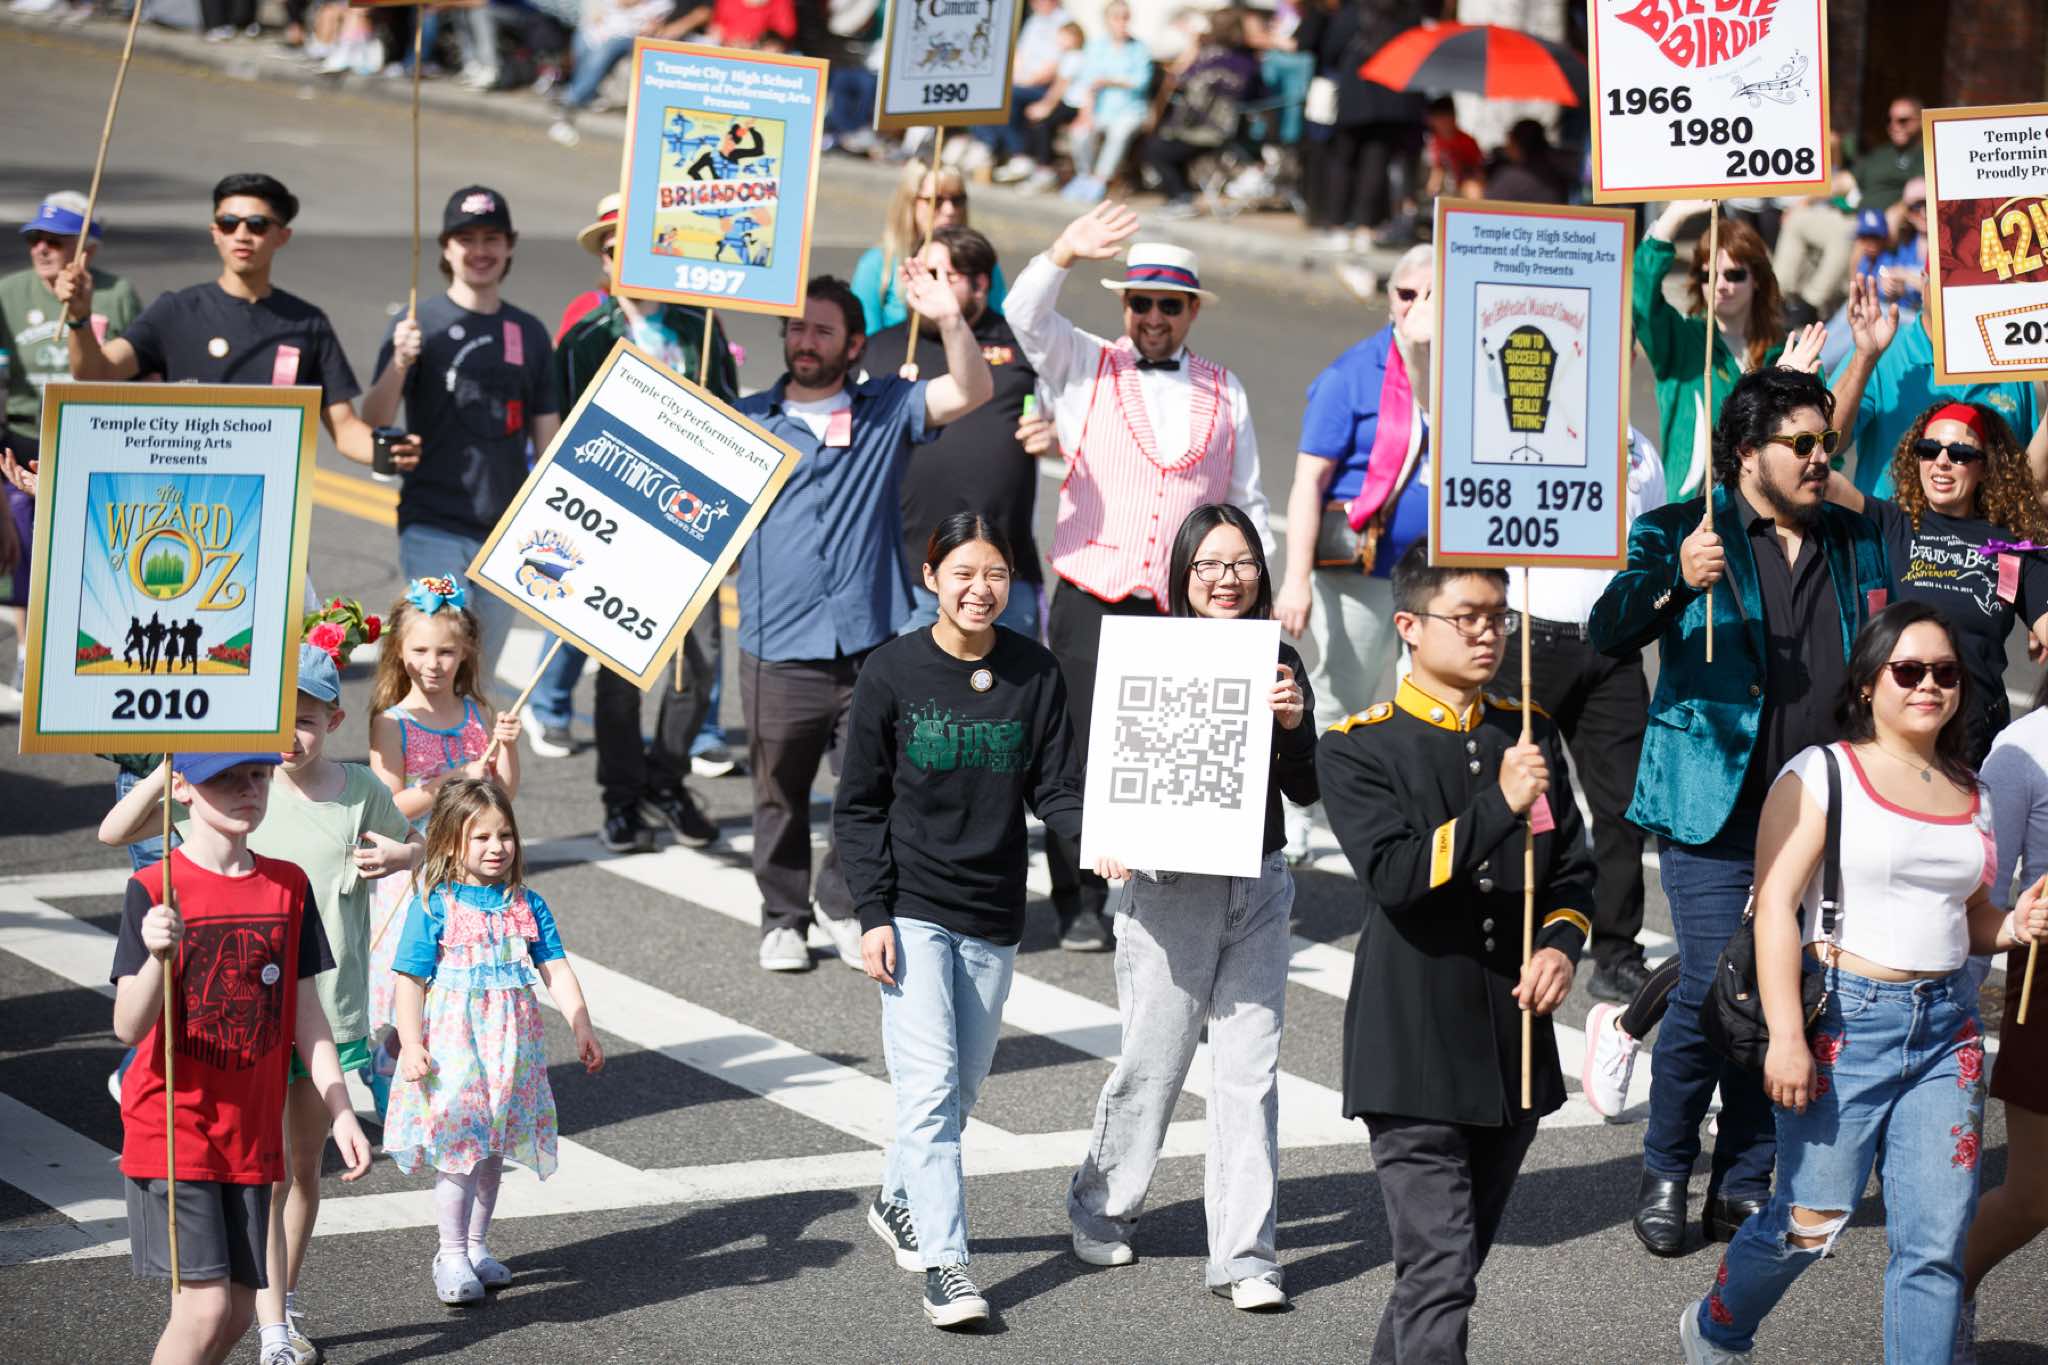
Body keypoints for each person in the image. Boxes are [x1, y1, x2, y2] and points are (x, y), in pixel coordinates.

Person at [1677, 603, 2047, 1365]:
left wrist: (2014, 924)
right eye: (1908, 670)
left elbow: (1970, 914)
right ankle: (1717, 1326)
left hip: (1947, 1032)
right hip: (1847, 1022)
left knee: (1935, 1245)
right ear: (1870, 682)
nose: (1928, 685)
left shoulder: (1972, 790)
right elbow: (1775, 906)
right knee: (1807, 1223)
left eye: (1945, 672)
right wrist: (1786, 1036)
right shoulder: (1823, 773)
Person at [1589, 367, 1891, 1258]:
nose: (1819, 458)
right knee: (1710, 988)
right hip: (1711, 801)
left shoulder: (1852, 538)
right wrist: (1676, 582)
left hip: (1820, 808)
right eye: (1801, 444)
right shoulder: (1681, 528)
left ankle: (1744, 1175)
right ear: (1747, 452)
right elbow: (1610, 629)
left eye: (1826, 442)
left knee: (1785, 988)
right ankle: (1666, 1164)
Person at [98, 647, 417, 1365]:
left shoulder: (286, 885)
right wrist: (155, 958)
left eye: (257, 775)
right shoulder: (156, 888)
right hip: (176, 1125)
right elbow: (126, 1025)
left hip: (251, 1129)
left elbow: (307, 1014)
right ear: (183, 787)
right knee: (206, 1307)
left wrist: (342, 1109)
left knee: (240, 1312)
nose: (247, 790)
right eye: (225, 778)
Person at [1319, 541, 1594, 1363]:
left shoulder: (1527, 729)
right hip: (1413, 1043)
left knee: (1440, 1271)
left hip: (1510, 1044)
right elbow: (1396, 875)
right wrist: (1499, 803)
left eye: (1498, 618)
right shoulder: (1358, 746)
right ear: (1408, 625)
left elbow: (1572, 870)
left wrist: (1559, 947)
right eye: (1466, 617)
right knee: (1441, 1270)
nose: (1487, 634)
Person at [835, 514, 1094, 1329]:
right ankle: (947, 1266)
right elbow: (857, 805)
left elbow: (1055, 786)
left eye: (996, 573)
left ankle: (897, 1198)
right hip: (912, 906)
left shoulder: (1034, 670)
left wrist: (1102, 842)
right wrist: (872, 913)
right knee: (930, 1088)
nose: (980, 588)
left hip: (993, 907)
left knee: (962, 1089)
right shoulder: (892, 671)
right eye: (963, 573)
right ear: (931, 577)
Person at [1067, 503, 1316, 1310]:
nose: (1225, 578)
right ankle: (1101, 1205)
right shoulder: (1151, 650)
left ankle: (1245, 1255)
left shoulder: (1277, 657)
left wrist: (1294, 723)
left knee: (1250, 1073)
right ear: (1182, 575)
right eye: (1208, 564)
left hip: (1260, 882)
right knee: (1154, 1060)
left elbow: (1307, 785)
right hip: (1170, 886)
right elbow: (1107, 762)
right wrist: (1108, 835)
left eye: (1240, 562)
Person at [1005, 203, 1270, 949]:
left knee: (1173, 754)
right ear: (1125, 305)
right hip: (1094, 591)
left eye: (1169, 305)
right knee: (1079, 751)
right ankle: (1079, 897)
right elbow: (1023, 314)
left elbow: (1247, 499)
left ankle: (1167, 895)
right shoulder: (1084, 362)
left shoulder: (1226, 389)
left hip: (1183, 604)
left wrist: (1256, 593)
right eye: (1141, 302)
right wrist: (1064, 249)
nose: (1154, 317)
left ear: (1191, 312)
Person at [736, 269, 994, 974]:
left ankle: (842, 900)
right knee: (779, 794)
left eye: (822, 330)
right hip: (777, 643)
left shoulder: (885, 408)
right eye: (796, 327)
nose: (805, 341)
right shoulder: (745, 420)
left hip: (869, 644)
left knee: (875, 787)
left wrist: (949, 319)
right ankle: (782, 917)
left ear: (854, 345)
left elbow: (972, 390)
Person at [536, 195, 734, 852]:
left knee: (699, 664)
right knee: (619, 673)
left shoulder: (699, 326)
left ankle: (666, 781)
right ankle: (620, 796)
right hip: (616, 525)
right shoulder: (587, 336)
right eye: (615, 249)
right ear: (605, 259)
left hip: (694, 520)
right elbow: (565, 435)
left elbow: (732, 419)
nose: (627, 259)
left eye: (640, 246)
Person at [385, 778, 605, 1304]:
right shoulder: (434, 904)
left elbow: (555, 966)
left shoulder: (526, 902)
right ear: (449, 841)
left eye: (504, 835)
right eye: (480, 837)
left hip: (511, 1048)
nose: (496, 847)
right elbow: (409, 979)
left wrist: (581, 1023)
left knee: (491, 1152)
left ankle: (477, 1246)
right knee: (460, 1149)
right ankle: (451, 1253)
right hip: (455, 1047)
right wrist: (411, 1044)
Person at [55, 173, 392, 470]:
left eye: (257, 225)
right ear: (215, 232)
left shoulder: (308, 323)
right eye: (229, 223)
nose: (242, 235)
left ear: (282, 236)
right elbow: (95, 372)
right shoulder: (175, 310)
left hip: (269, 502)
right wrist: (78, 319)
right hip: (180, 497)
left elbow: (345, 429)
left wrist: (393, 453)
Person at [363, 186, 562, 685]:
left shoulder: (528, 332)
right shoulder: (417, 322)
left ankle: (465, 744)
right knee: (440, 662)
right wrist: (399, 361)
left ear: (510, 245)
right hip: (433, 523)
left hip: (506, 532)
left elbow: (548, 438)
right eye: (466, 238)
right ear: (446, 248)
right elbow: (375, 418)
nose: (479, 250)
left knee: (478, 678)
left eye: (491, 238)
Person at [1506, 429, 1668, 1003]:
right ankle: (1518, 937)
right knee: (1527, 798)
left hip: (1611, 646)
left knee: (1625, 803)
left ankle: (1617, 952)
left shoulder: (1641, 453)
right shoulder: (1527, 432)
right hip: (1529, 635)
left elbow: (1649, 545)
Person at [364, 577, 520, 1104]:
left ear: (467, 651)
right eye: (420, 651)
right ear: (399, 651)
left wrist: (506, 749)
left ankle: (449, 1074)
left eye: (446, 652)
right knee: (414, 971)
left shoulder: (478, 714)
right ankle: (391, 1059)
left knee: (455, 976)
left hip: (471, 873)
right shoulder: (392, 723)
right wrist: (449, 780)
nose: (432, 664)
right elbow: (386, 807)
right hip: (415, 868)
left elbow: (503, 793)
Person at [1825, 401, 2048, 763]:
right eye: (1929, 449)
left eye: (1960, 454)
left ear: (1985, 466)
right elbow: (1820, 476)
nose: (1941, 461)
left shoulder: (2010, 546)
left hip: (1970, 745)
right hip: (1886, 740)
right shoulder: (1888, 522)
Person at [1278, 243, 1432, 734]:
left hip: (1440, 574)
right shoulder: (1351, 375)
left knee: (1432, 701)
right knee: (1343, 699)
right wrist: (1296, 580)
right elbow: (1309, 481)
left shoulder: (1472, 372)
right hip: (1362, 573)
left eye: (1434, 295)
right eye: (1407, 293)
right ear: (1390, 297)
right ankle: (1318, 786)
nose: (1418, 305)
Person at [871, 227, 1046, 639]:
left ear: (980, 284)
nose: (929, 286)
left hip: (1004, 577)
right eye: (921, 272)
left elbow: (1081, 411)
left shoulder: (1024, 345)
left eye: (943, 276)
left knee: (1014, 683)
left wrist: (1056, 434)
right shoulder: (879, 349)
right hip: (909, 579)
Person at [1965, 672, 2048, 1361]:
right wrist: (1955, 1010)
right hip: (2044, 974)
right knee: (2033, 1195)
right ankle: (1942, 1294)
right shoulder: (2024, 748)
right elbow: (1985, 896)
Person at [1634, 199, 1816, 498]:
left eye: (1734, 275)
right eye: (1708, 275)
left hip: (1769, 512)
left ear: (1757, 279)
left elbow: (1821, 446)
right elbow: (1641, 300)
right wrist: (1673, 218)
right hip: (1692, 513)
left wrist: (1791, 386)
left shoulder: (1786, 352)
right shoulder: (1681, 341)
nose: (1720, 285)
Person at [1830, 272, 2046, 499]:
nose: (1964, 286)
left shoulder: (2010, 360)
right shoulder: (1883, 351)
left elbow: (2029, 480)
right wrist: (1864, 359)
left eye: (1978, 275)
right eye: (1948, 273)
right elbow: (1827, 443)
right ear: (1924, 281)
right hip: (1892, 521)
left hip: (1988, 522)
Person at [4, 192, 141, 443]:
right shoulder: (7, 292)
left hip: (95, 433)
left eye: (54, 241)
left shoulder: (117, 294)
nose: (41, 249)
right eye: (34, 239)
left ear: (88, 250)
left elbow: (142, 373)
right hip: (23, 435)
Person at [1307, 0, 1426, 255]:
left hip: (1356, 91)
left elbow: (1332, 48)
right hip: (1391, 95)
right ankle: (1364, 227)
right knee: (1376, 163)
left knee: (1343, 160)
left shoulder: (1356, 10)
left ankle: (1337, 225)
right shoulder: (1408, 12)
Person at [850, 161, 1009, 339]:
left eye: (957, 200)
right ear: (910, 203)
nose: (950, 210)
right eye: (937, 201)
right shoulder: (876, 264)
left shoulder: (981, 261)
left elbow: (1001, 329)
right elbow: (866, 341)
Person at [1143, 8, 1263, 219]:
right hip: (1227, 128)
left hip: (1205, 128)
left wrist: (1192, 48)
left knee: (1155, 150)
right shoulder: (1249, 59)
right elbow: (1256, 93)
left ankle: (1180, 197)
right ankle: (1180, 197)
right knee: (1164, 147)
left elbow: (1181, 80)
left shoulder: (1210, 55)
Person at [1060, 1, 1153, 204]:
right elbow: (1088, 84)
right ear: (1107, 20)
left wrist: (1111, 81)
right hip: (1101, 109)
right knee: (1080, 132)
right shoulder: (1096, 47)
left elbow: (1141, 82)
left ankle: (1100, 179)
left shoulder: (1139, 48)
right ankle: (1084, 175)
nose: (1121, 22)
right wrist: (1085, 114)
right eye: (1116, 17)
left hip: (1130, 110)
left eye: (1125, 17)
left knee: (1119, 133)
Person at [984, 0, 1073, 181]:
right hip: (1023, 82)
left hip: (1044, 87)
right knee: (989, 96)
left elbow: (1056, 65)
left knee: (1006, 97)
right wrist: (1015, 77)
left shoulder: (1064, 22)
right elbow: (1019, 53)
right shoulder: (1035, 20)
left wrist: (1026, 81)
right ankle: (993, 149)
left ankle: (1019, 154)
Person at [1853, 96, 1925, 216]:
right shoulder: (1881, 153)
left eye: (1903, 120)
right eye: (1889, 120)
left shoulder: (1927, 154)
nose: (1894, 126)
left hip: (1893, 221)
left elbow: (1920, 192)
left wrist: (1899, 212)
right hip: (1857, 217)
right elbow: (1848, 179)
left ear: (1921, 120)